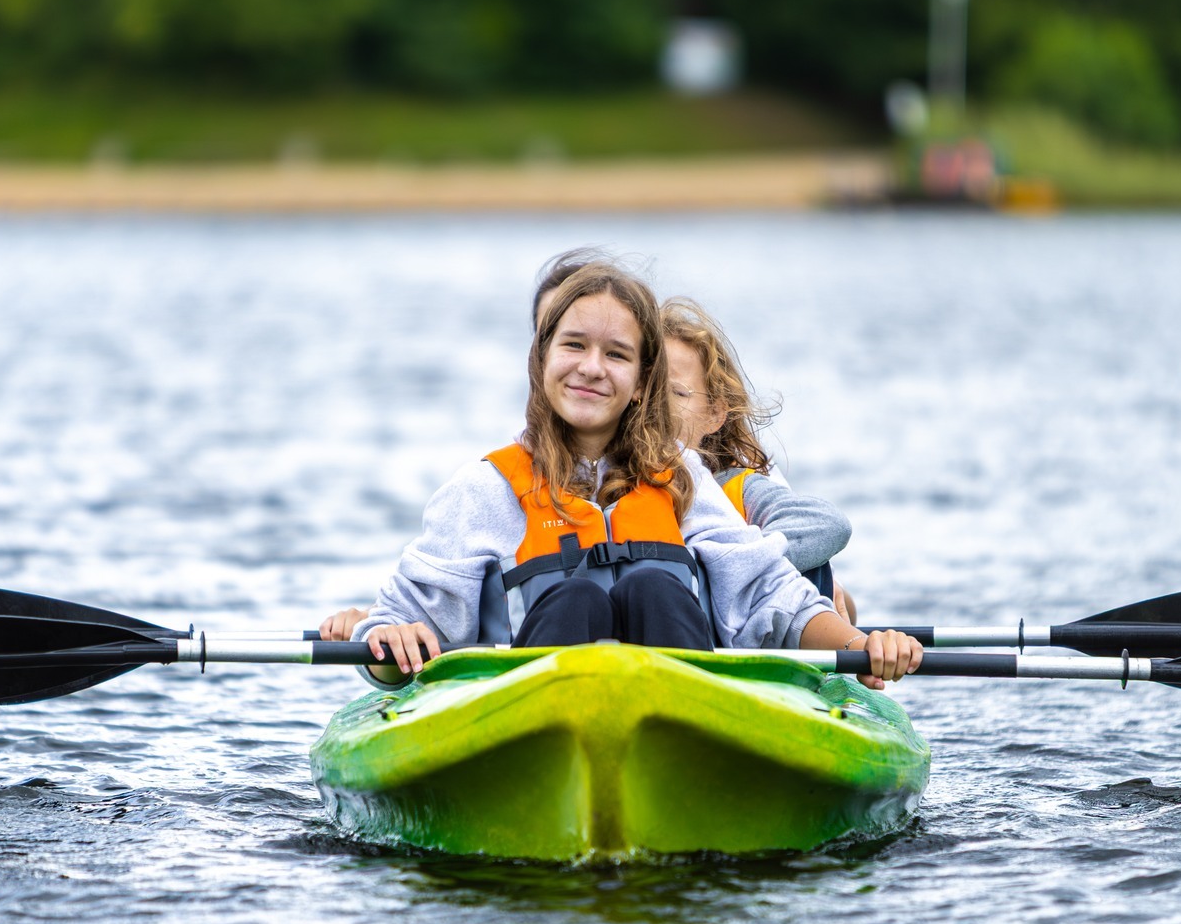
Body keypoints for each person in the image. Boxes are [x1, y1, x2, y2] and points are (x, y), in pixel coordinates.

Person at [347, 259, 923, 689]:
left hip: (678, 717)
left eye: (617, 354)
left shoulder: (683, 478)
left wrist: (860, 646)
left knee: (654, 588)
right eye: (574, 345)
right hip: (529, 724)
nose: (591, 368)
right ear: (541, 359)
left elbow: (770, 595)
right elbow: (395, 629)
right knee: (574, 600)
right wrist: (388, 638)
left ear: (643, 382)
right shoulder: (484, 489)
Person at [658, 295, 860, 623]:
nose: (654, 405)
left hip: (733, 625)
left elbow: (828, 524)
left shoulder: (734, 488)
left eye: (676, 392)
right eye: (646, 388)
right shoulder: (605, 480)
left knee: (820, 573)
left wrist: (733, 566)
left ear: (714, 414)